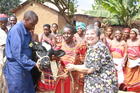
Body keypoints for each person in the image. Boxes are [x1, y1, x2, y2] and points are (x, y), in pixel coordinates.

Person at [66, 25, 118, 93]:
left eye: (92, 34)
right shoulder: (94, 47)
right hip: (98, 86)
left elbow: (89, 69)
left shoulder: (97, 48)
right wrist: (73, 66)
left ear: (98, 36)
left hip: (102, 87)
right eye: (87, 34)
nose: (89, 36)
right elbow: (88, 65)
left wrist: (74, 67)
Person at [4, 10, 39, 93]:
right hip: (16, 68)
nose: (33, 27)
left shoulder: (27, 30)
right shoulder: (16, 30)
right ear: (25, 20)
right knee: (18, 90)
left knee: (28, 90)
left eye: (34, 24)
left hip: (25, 67)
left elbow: (29, 46)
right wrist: (33, 64)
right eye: (32, 24)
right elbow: (17, 54)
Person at [55, 25, 87, 93]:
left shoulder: (80, 46)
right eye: (64, 33)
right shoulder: (60, 45)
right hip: (62, 75)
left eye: (68, 33)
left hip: (75, 76)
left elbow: (83, 62)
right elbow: (55, 59)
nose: (66, 35)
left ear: (73, 34)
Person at [0, 13, 8, 93]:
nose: (3, 23)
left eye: (5, 22)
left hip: (5, 58)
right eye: (1, 22)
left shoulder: (7, 30)